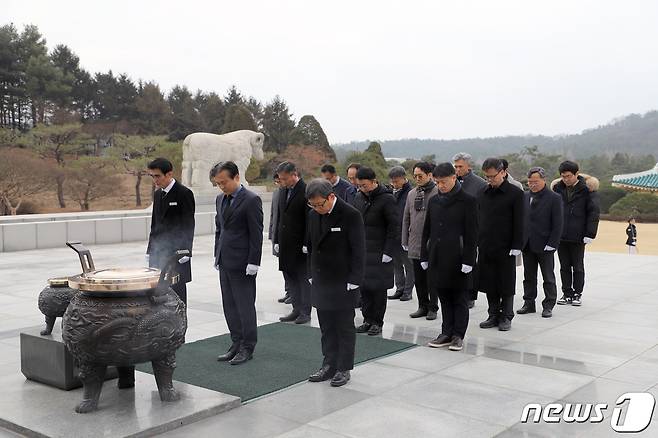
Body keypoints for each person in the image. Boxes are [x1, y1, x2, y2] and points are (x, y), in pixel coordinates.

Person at [305, 179, 366, 387]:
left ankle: (343, 367)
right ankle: (328, 363)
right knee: (326, 326)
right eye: (312, 205)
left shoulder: (350, 214)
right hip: (321, 279)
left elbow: (359, 250)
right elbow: (311, 246)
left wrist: (355, 279)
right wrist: (310, 272)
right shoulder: (313, 215)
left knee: (344, 326)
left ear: (331, 197)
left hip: (343, 281)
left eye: (320, 204)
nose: (316, 208)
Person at [420, 163, 477, 351]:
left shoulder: (467, 201)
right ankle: (446, 332)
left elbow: (472, 233)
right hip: (438, 255)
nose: (440, 186)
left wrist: (469, 259)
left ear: (454, 178)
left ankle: (458, 335)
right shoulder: (435, 201)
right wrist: (424, 255)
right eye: (437, 183)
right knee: (443, 295)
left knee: (459, 297)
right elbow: (427, 230)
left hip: (458, 257)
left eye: (443, 182)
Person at [212, 162, 263, 365]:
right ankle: (236, 342)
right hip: (225, 260)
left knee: (244, 306)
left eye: (224, 182)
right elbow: (219, 229)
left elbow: (256, 233)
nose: (222, 186)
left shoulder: (251, 200)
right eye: (218, 183)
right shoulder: (219, 199)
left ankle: (248, 346)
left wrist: (254, 262)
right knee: (229, 305)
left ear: (236, 178)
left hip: (243, 263)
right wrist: (217, 255)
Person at [477, 158, 525, 331]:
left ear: (503, 172)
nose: (489, 180)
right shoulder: (482, 192)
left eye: (492, 176)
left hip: (507, 247)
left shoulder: (515, 193)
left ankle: (506, 315)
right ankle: (493, 314)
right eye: (486, 177)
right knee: (489, 282)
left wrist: (517, 245)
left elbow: (521, 221)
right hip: (486, 245)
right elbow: (478, 218)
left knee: (505, 282)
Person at [351, 167, 399, 336]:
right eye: (359, 186)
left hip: (380, 252)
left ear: (374, 181)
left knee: (378, 290)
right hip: (363, 251)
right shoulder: (358, 197)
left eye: (364, 185)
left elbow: (394, 227)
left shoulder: (387, 199)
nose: (362, 189)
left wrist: (388, 251)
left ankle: (377, 322)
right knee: (364, 288)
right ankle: (367, 319)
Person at [146, 157, 195, 305]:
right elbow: (154, 225)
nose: (155, 180)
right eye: (152, 176)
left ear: (169, 174)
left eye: (158, 176)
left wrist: (186, 251)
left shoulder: (184, 193)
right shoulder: (158, 194)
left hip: (176, 253)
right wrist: (150, 250)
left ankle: (181, 325)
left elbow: (188, 224)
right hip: (159, 252)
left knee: (177, 293)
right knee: (158, 293)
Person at [517, 167, 563, 318]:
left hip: (545, 244)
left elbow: (558, 224)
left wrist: (552, 243)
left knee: (548, 277)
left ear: (544, 180)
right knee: (528, 276)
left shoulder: (554, 198)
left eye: (535, 182)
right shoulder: (524, 196)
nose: (532, 185)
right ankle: (529, 303)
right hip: (527, 244)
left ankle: (548, 304)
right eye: (529, 182)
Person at [552, 160, 600, 306]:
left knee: (577, 266)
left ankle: (577, 293)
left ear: (576, 174)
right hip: (561, 235)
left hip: (578, 235)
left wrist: (590, 233)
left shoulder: (587, 190)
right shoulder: (557, 189)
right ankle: (567, 293)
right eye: (563, 176)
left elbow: (593, 213)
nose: (565, 179)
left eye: (568, 176)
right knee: (564, 266)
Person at [273, 161, 312, 324]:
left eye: (284, 178)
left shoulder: (306, 190)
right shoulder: (283, 191)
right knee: (290, 278)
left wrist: (306, 242)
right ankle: (296, 308)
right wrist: (276, 239)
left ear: (294, 175)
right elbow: (279, 216)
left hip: (300, 244)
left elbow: (310, 219)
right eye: (280, 179)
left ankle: (305, 311)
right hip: (285, 243)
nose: (282, 182)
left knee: (302, 279)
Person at [401, 162, 439, 320]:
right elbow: (406, 218)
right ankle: (422, 305)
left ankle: (433, 307)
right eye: (415, 176)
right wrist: (405, 239)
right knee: (419, 278)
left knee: (432, 278)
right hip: (415, 241)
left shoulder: (437, 192)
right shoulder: (411, 194)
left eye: (420, 176)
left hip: (431, 242)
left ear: (430, 175)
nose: (417, 178)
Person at [453, 152, 487, 309]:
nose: (457, 169)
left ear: (469, 166)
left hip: (473, 230)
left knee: (471, 263)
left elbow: (482, 210)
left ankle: (470, 295)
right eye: (456, 166)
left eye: (460, 166)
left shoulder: (480, 184)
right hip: (455, 230)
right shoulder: (452, 182)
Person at [387, 166, 414, 301]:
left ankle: (408, 291)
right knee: (396, 264)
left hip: (406, 234)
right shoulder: (390, 191)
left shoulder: (411, 192)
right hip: (393, 234)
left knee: (409, 265)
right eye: (392, 181)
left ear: (404, 178)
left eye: (397, 181)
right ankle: (399, 288)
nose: (394, 184)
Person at [270, 173, 292, 305]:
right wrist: (272, 234)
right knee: (283, 266)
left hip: (287, 236)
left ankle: (292, 292)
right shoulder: (277, 193)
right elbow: (273, 215)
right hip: (278, 235)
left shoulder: (288, 193)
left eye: (280, 181)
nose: (279, 184)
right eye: (277, 182)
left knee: (290, 268)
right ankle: (288, 291)